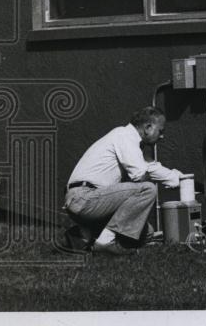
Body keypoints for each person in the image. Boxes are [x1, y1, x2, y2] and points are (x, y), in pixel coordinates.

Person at [63, 106, 183, 255]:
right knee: (148, 189)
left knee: (147, 233)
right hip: (84, 198)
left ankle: (82, 236)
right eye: (161, 131)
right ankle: (105, 242)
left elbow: (151, 167)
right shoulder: (124, 136)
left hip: (90, 201)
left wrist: (181, 180)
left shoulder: (130, 143)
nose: (162, 136)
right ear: (148, 127)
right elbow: (140, 175)